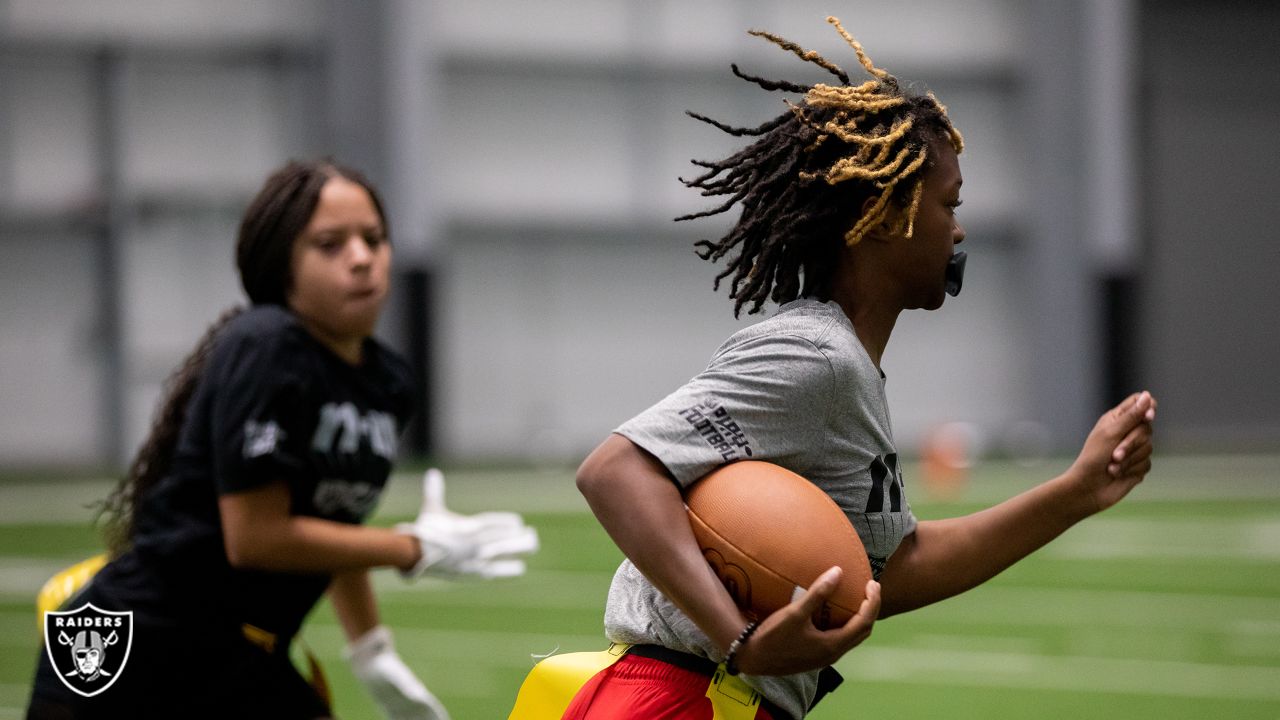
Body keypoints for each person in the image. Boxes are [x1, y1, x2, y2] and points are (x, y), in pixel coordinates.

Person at [569, 17, 1156, 720]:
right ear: (883, 219)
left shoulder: (844, 367)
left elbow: (892, 570)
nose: (960, 230)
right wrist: (740, 641)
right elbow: (615, 470)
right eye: (950, 205)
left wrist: (1074, 494)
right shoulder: (817, 357)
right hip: (680, 699)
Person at [26, 159, 537, 720]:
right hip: (139, 644)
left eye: (374, 239)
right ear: (281, 265)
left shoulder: (388, 382)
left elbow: (334, 523)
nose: (362, 258)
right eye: (330, 244)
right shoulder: (266, 347)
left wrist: (371, 649)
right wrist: (412, 548)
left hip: (240, 653)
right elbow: (256, 536)